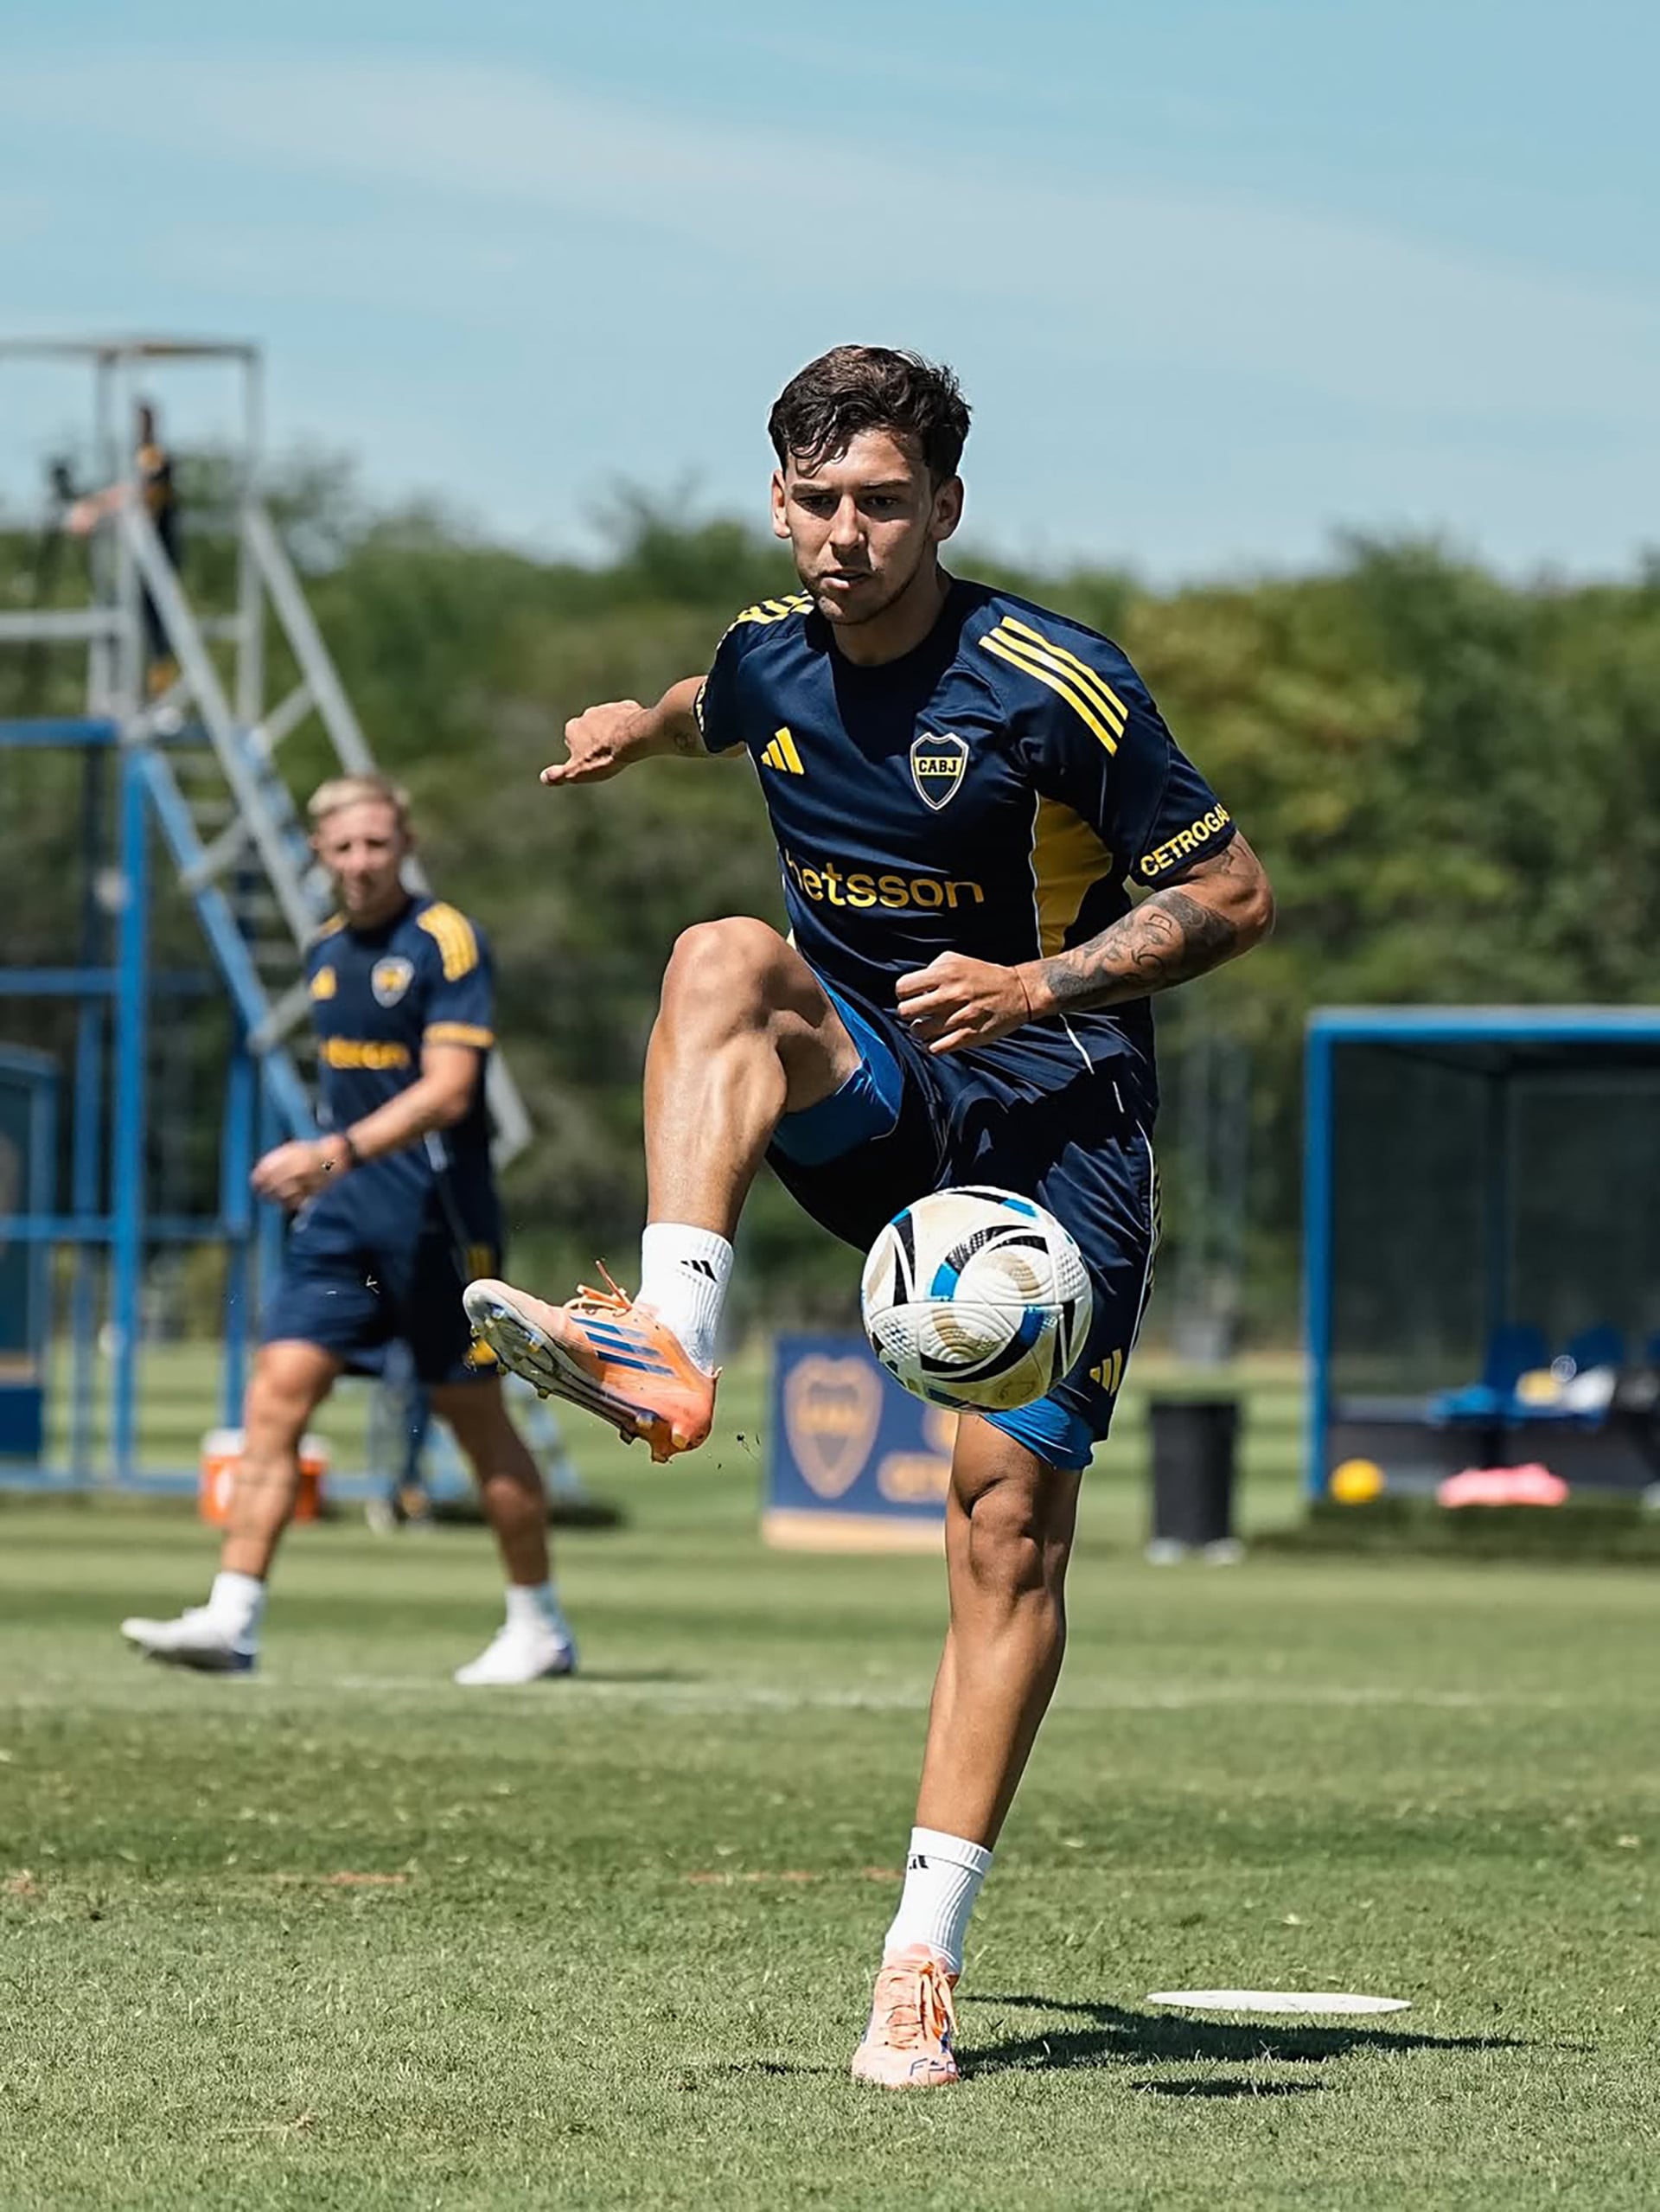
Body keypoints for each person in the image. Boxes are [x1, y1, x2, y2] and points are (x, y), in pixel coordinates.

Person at [465, 347, 1273, 2081]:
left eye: (885, 502)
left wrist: (1043, 975)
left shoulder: (1055, 683)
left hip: (1061, 1125)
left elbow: (1233, 891)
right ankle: (670, 1346)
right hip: (881, 1097)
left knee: (1003, 1529)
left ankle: (923, 1951)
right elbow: (719, 699)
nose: (849, 534)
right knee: (719, 958)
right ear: (779, 501)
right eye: (819, 501)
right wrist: (631, 720)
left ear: (947, 509)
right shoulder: (770, 652)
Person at [122, 773, 578, 1685]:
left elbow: (450, 1092)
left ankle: (539, 1626)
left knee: (477, 1424)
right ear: (318, 855)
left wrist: (328, 1153)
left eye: (377, 843)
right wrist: (328, 1180)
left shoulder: (445, 939)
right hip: (341, 1225)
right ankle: (232, 1615)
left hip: (440, 1227)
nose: (362, 861)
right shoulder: (327, 948)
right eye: (344, 847)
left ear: (402, 842)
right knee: (273, 1400)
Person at [67, 400, 182, 697]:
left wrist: (94, 507)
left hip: (159, 556)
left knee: (157, 629)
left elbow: (140, 492)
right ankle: (129, 689)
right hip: (140, 560)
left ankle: (161, 695)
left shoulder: (155, 459)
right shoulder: (137, 459)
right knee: (123, 620)